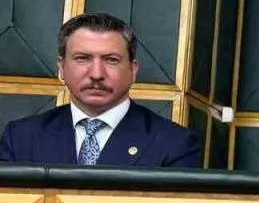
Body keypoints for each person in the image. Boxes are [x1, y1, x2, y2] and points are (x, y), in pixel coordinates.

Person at [0, 13, 201, 167]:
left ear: (133, 69)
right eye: (82, 59)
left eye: (111, 60)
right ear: (61, 67)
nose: (96, 74)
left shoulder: (174, 143)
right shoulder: (21, 138)